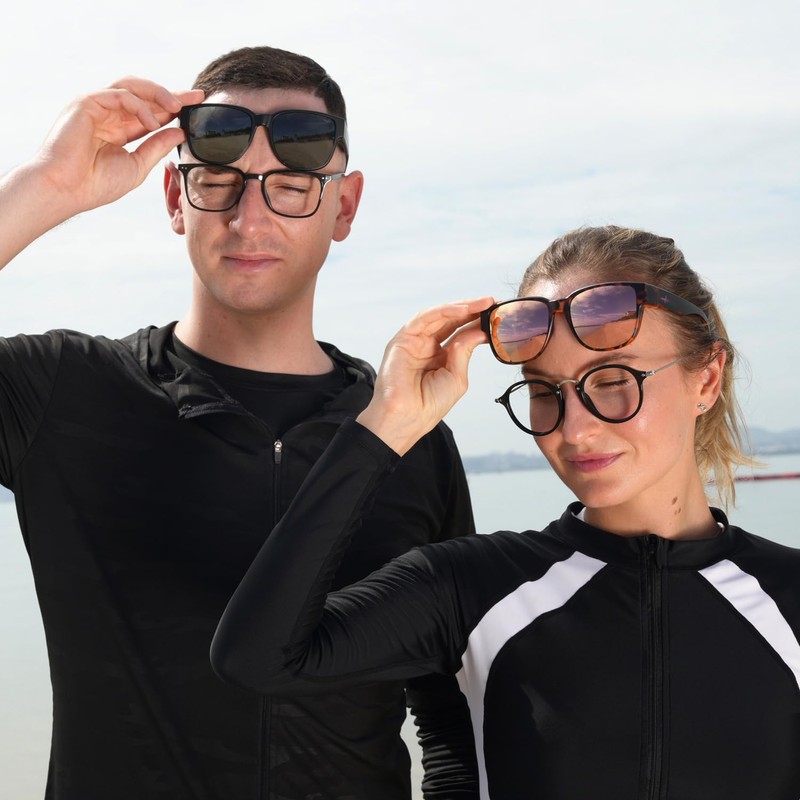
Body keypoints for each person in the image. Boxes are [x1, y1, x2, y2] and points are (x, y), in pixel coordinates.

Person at [0, 47, 479, 800]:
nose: (249, 219)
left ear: (344, 207)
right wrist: (46, 186)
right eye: (217, 181)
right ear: (174, 197)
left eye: (290, 186)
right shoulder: (62, 392)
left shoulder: (405, 434)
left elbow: (451, 709)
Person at [211, 226, 800, 800]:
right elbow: (257, 657)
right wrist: (386, 422)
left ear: (707, 379)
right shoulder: (469, 588)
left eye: (613, 380)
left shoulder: (789, 596)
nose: (574, 429)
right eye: (545, 391)